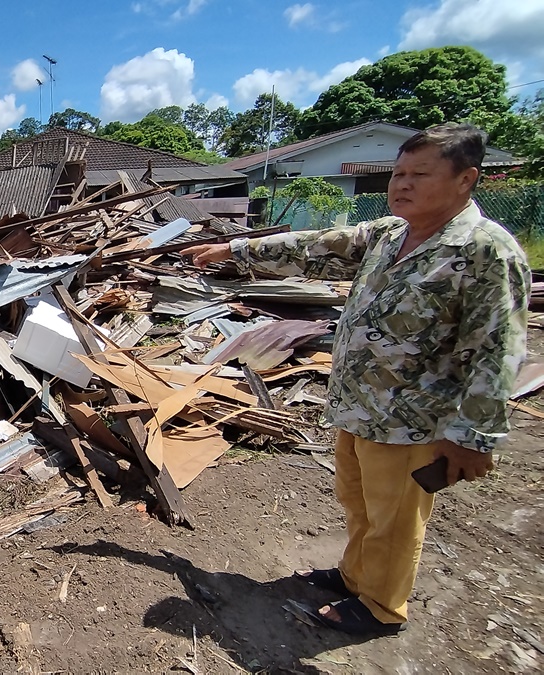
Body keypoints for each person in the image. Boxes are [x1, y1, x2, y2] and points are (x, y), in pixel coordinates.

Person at [180, 123, 530, 636]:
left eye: (419, 174)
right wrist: (236, 252)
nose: (402, 184)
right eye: (398, 173)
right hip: (359, 405)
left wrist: (473, 437)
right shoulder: (391, 234)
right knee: (359, 502)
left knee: (394, 518)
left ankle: (382, 607)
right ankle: (354, 575)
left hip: (412, 420)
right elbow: (314, 244)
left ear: (465, 179)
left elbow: (498, 350)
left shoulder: (483, 251)